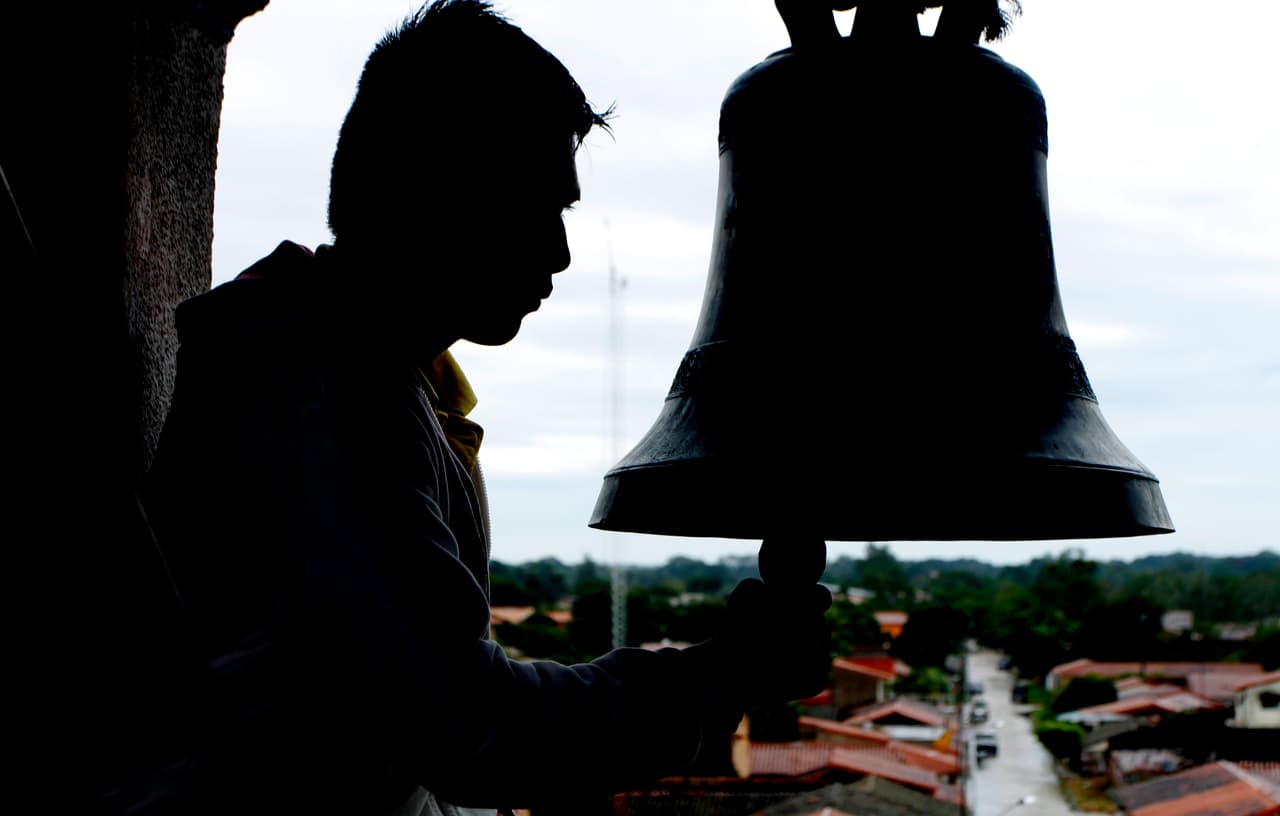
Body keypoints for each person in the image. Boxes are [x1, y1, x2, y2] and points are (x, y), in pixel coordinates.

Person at [142, 2, 831, 814]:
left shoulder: (376, 380)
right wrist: (722, 674)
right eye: (540, 204)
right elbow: (473, 730)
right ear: (438, 188)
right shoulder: (320, 391)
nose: (561, 251)